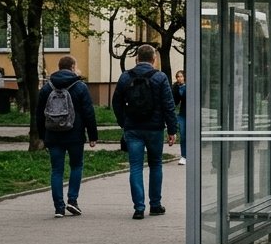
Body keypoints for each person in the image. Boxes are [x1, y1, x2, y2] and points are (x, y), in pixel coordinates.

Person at [112, 45, 178, 219]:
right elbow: (168, 105)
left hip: (133, 128)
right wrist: (172, 129)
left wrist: (123, 122)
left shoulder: (125, 77)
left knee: (135, 167)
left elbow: (116, 102)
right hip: (155, 129)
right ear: (154, 59)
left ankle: (139, 208)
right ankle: (155, 205)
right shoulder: (160, 77)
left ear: (136, 58)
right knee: (156, 164)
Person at [37, 56, 98, 218]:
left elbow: (39, 114)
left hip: (53, 135)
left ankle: (58, 207)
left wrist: (43, 136)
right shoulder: (80, 87)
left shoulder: (47, 87)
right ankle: (72, 201)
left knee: (56, 170)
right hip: (75, 135)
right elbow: (88, 113)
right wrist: (93, 135)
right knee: (76, 166)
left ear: (59, 67)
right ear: (72, 67)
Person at [172, 70, 188, 164]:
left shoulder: (188, 87)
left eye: (181, 76)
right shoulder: (176, 87)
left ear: (184, 77)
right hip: (182, 114)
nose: (179, 78)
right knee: (183, 135)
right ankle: (184, 156)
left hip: (190, 113)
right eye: (178, 76)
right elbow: (175, 101)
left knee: (190, 136)